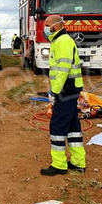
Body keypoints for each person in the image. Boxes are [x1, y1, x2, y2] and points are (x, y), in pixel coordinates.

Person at [40, 14, 85, 176]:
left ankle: (59, 165)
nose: (45, 28)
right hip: (70, 89)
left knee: (57, 126)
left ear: (56, 26)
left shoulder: (63, 41)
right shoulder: (60, 41)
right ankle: (78, 162)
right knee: (73, 127)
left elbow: (63, 70)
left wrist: (54, 92)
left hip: (65, 90)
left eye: (46, 24)